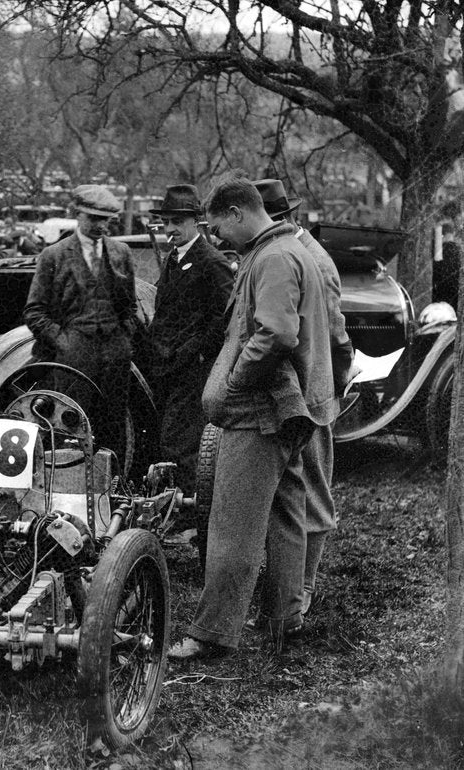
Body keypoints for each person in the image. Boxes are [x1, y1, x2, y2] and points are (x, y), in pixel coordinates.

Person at [167, 175, 351, 661]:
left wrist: (235, 383)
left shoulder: (271, 259)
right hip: (290, 413)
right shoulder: (292, 249)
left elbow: (276, 335)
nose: (216, 238)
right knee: (289, 513)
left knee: (232, 525)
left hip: (261, 414)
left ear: (236, 213)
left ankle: (211, 635)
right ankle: (284, 618)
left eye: (217, 227)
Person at [254, 178, 356, 617]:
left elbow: (335, 337)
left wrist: (323, 395)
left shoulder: (313, 259)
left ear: (279, 219)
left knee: (312, 492)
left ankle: (303, 591)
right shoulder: (285, 252)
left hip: (309, 398)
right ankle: (284, 593)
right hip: (287, 397)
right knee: (287, 495)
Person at [23, 184, 139, 464]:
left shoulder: (121, 252)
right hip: (73, 360)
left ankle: (114, 493)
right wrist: (64, 342)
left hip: (114, 357)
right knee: (70, 429)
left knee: (113, 429)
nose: (100, 226)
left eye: (106, 220)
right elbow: (34, 311)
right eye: (94, 218)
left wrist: (124, 338)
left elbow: (131, 307)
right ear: (77, 215)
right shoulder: (55, 255)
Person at [146, 184, 234, 490]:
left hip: (193, 370)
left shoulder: (211, 261)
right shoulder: (173, 258)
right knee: (168, 441)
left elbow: (224, 318)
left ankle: (189, 516)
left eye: (178, 222)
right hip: (167, 367)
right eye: (166, 222)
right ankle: (174, 506)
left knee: (182, 444)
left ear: (195, 222)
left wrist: (196, 352)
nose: (170, 229)